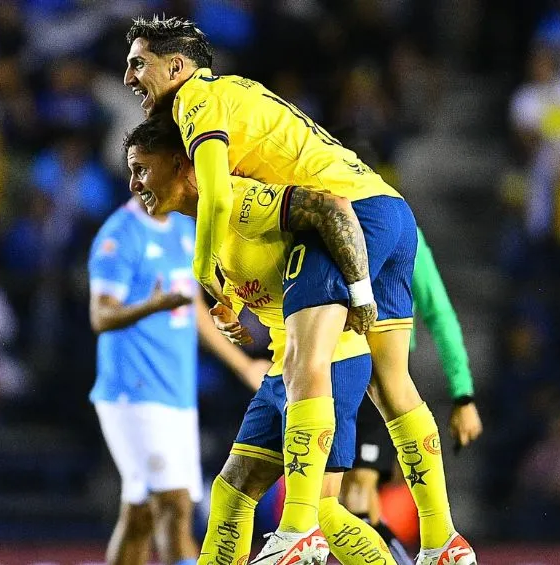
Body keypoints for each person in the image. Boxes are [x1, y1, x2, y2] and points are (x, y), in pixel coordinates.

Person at [123, 16, 474, 564]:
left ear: (177, 66)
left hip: (345, 212)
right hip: (383, 208)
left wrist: (204, 269)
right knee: (390, 385)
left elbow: (217, 196)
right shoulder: (233, 112)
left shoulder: (199, 104)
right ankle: (442, 540)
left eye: (138, 63)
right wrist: (233, 301)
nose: (128, 78)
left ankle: (298, 531)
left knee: (308, 371)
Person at [124, 116, 400, 565]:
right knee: (232, 489)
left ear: (181, 164)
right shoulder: (207, 229)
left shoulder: (240, 199)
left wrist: (360, 291)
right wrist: (230, 310)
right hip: (284, 366)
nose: (135, 183)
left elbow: (331, 208)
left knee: (324, 512)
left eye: (142, 168)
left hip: (328, 363)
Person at [88, 194, 269, 565]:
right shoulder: (120, 235)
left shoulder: (185, 229)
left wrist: (243, 365)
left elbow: (194, 309)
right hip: (135, 391)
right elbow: (100, 315)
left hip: (175, 393)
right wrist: (150, 306)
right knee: (174, 506)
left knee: (141, 516)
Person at [341, 228, 483, 565]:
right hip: (335, 376)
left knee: (359, 489)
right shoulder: (330, 219)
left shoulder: (401, 231)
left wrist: (463, 395)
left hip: (381, 381)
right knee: (346, 499)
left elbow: (439, 312)